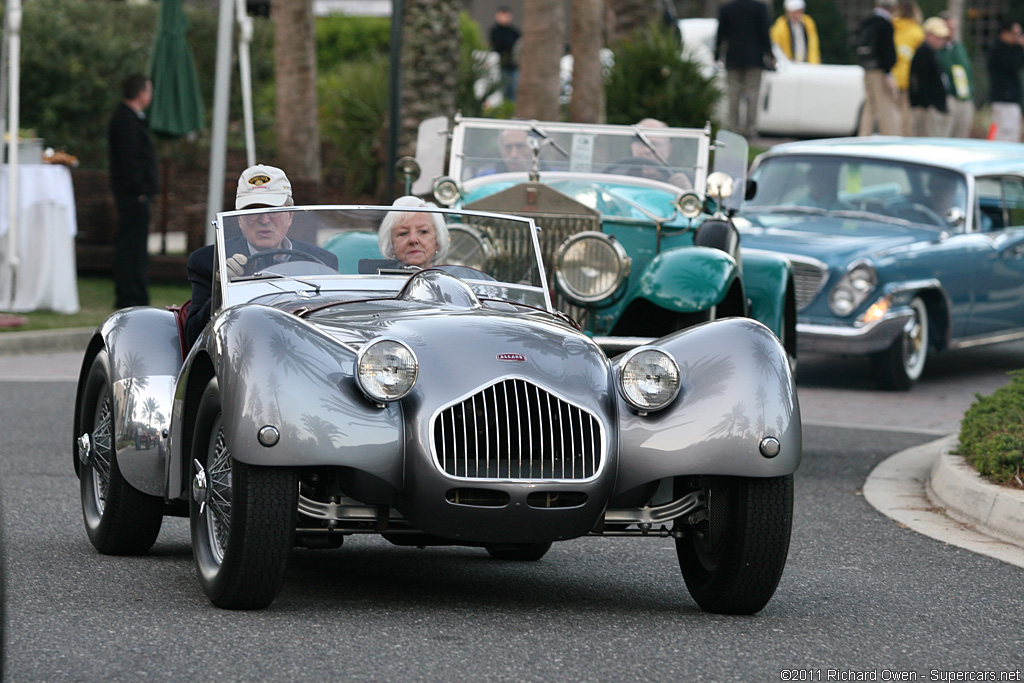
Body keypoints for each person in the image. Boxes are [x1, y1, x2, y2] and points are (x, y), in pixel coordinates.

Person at [184, 165, 338, 348]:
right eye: (253, 212)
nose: (264, 220)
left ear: (290, 215)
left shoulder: (320, 261)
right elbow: (192, 339)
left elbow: (332, 332)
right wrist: (221, 291)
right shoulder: (209, 261)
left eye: (273, 211)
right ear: (239, 219)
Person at [108, 73, 158, 309]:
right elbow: (130, 160)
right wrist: (139, 189)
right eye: (149, 91)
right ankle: (130, 295)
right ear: (141, 93)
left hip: (135, 193)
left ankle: (136, 292)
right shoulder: (126, 121)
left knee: (136, 246)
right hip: (132, 195)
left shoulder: (130, 119)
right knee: (131, 245)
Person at [715, 0, 775, 139]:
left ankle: (734, 128)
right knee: (752, 94)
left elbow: (721, 34)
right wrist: (770, 54)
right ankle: (749, 128)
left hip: (733, 58)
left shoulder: (727, 9)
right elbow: (764, 33)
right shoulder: (760, 8)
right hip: (754, 59)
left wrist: (716, 55)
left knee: (733, 94)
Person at [856, 0, 900, 136]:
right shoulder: (885, 24)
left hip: (867, 68)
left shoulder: (867, 21)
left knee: (869, 105)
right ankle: (889, 135)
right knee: (884, 105)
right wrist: (888, 73)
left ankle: (864, 134)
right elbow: (887, 52)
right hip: (880, 70)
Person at [378, 196, 450, 269]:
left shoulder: (452, 279)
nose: (413, 240)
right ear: (391, 244)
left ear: (438, 241)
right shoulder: (377, 279)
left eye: (423, 231)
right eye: (403, 233)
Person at [908, 17, 950, 137]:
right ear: (928, 35)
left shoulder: (932, 53)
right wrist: (928, 104)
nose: (941, 41)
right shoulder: (923, 53)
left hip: (932, 106)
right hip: (926, 108)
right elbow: (920, 82)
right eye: (938, 37)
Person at [937, 12, 975, 138]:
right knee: (946, 135)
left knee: (961, 136)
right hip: (949, 97)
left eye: (953, 28)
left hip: (964, 97)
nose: (951, 31)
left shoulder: (958, 47)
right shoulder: (937, 50)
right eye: (949, 27)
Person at [987, 18, 1024, 143]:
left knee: (1012, 133)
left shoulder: (1011, 49)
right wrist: (1021, 48)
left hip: (1012, 100)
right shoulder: (997, 49)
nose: (1017, 38)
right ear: (1005, 33)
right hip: (1004, 99)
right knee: (1004, 134)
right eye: (1015, 34)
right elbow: (1012, 65)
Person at [629, 118, 693, 189]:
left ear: (668, 149)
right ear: (633, 148)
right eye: (641, 144)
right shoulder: (620, 176)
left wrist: (687, 192)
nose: (647, 150)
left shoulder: (683, 180)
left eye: (654, 144)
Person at [892, 0, 925, 136]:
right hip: (908, 79)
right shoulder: (917, 32)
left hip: (891, 77)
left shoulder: (892, 28)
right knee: (906, 115)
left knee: (891, 113)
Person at [769, 0, 821, 64]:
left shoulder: (808, 24)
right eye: (794, 12)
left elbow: (813, 46)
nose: (797, 15)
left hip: (806, 64)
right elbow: (776, 48)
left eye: (799, 12)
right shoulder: (779, 28)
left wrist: (813, 64)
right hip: (789, 65)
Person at [489, 6, 521, 102]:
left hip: (512, 66)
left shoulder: (513, 31)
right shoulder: (495, 31)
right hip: (500, 65)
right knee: (501, 91)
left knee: (512, 91)